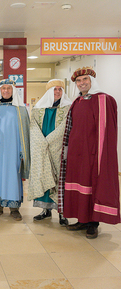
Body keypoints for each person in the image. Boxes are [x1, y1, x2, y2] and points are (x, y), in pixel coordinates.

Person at [58, 67, 120, 239]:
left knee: (92, 186)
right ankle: (82, 219)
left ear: (92, 81)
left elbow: (107, 132)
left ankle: (93, 223)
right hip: (76, 154)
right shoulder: (77, 102)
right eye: (78, 81)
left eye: (85, 79)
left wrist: (100, 156)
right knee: (79, 186)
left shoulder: (104, 100)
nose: (81, 83)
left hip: (93, 155)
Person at [0, 79, 30, 221]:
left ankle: (14, 209)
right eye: (3, 88)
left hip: (13, 151)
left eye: (8, 88)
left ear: (13, 90)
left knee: (12, 178)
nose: (6, 91)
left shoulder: (20, 109)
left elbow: (25, 133)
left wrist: (23, 151)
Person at [28, 79, 71, 225]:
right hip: (41, 147)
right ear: (48, 92)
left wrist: (49, 141)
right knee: (43, 173)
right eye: (54, 89)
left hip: (57, 148)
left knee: (60, 178)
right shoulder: (38, 109)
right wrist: (41, 142)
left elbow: (65, 127)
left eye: (60, 89)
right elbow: (33, 126)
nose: (57, 92)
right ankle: (45, 210)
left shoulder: (68, 108)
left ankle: (62, 213)